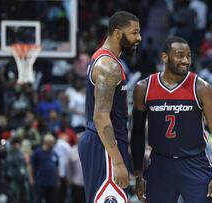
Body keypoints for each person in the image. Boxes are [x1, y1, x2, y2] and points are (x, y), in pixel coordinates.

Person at [130, 36, 212, 203]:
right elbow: (137, 132)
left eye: (188, 56)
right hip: (160, 164)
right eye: (180, 55)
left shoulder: (202, 88)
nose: (186, 60)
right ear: (165, 57)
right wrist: (138, 174)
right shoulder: (143, 88)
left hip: (195, 163)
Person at [78, 11, 142, 203]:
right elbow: (101, 117)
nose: (139, 38)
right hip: (104, 147)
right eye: (134, 32)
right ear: (116, 33)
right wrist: (118, 161)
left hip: (102, 144)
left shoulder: (103, 59)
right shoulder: (108, 66)